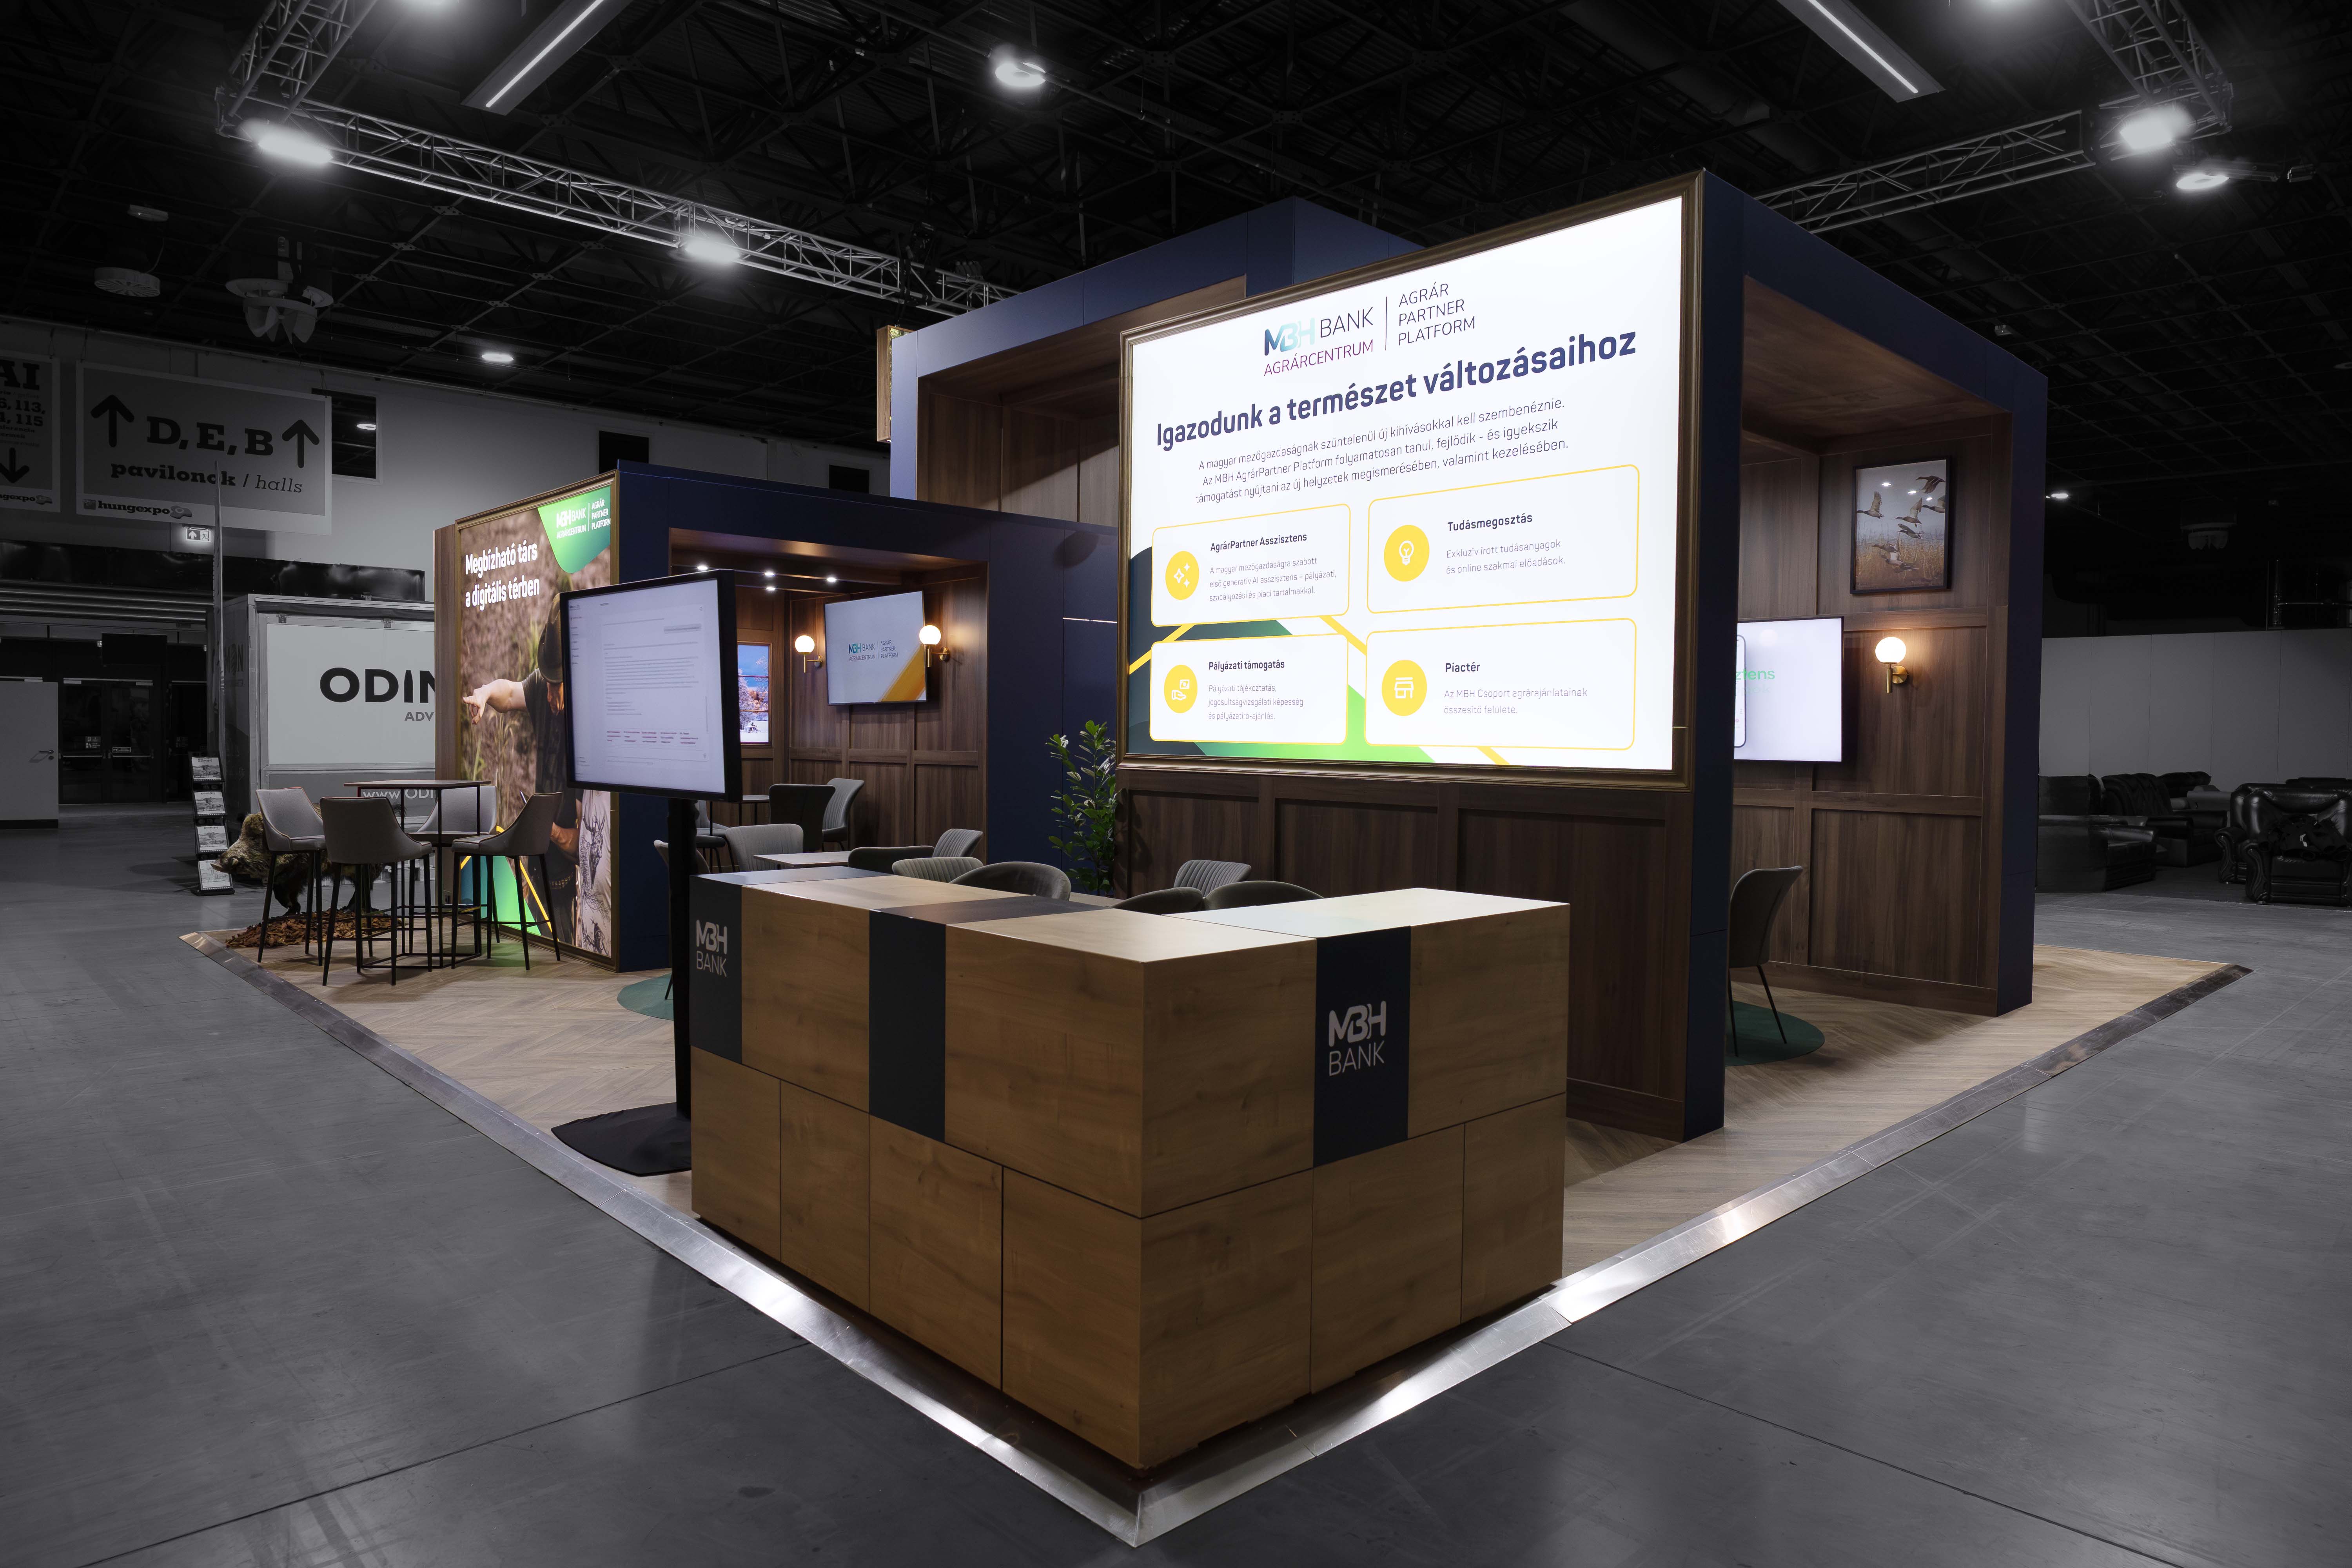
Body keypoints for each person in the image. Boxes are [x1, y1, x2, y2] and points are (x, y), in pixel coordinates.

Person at [463, 617, 609, 952]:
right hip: (544, 854)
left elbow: (581, 842)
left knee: (564, 947)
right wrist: (485, 694)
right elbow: (509, 693)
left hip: (571, 871)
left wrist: (549, 830)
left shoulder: (589, 728)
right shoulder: (542, 688)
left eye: (559, 685)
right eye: (548, 683)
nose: (552, 694)